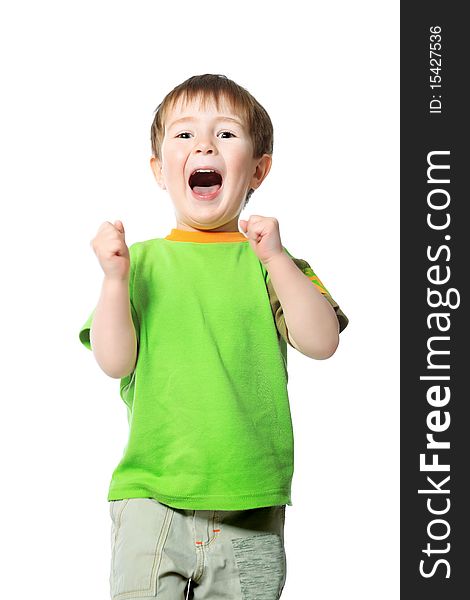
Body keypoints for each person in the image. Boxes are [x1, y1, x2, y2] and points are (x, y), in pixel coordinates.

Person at [79, 74, 348, 600]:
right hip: (151, 497)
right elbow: (114, 361)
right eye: (184, 135)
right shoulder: (142, 263)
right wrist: (114, 280)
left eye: (225, 134)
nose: (203, 144)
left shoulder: (276, 263)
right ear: (160, 170)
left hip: (251, 505)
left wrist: (275, 258)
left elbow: (322, 342)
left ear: (258, 170)